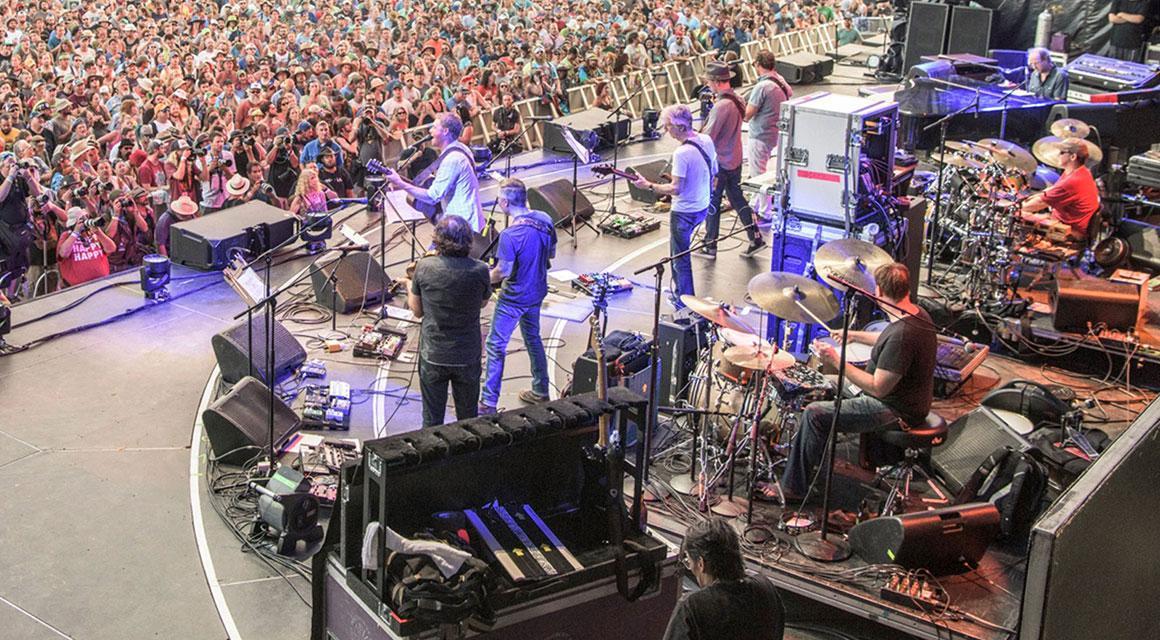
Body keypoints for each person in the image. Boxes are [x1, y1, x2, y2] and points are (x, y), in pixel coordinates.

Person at [780, 263, 937, 501]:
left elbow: (877, 387)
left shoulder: (903, 335)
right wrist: (853, 335)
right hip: (898, 398)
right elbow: (887, 336)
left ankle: (793, 488)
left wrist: (836, 359)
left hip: (894, 409)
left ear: (880, 292)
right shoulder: (915, 314)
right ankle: (815, 459)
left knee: (814, 413)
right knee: (822, 382)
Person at [400, 216, 492, 427]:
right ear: (469, 240)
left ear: (438, 239)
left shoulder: (424, 267)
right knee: (468, 419)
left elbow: (417, 311)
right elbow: (483, 303)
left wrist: (408, 284)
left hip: (434, 354)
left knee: (432, 420)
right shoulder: (480, 270)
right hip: (467, 354)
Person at [479, 179, 557, 414]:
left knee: (495, 345)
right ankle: (540, 390)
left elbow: (503, 271)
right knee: (533, 339)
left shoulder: (510, 235)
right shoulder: (545, 219)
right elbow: (550, 253)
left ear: (503, 202)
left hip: (513, 297)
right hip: (537, 291)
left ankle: (488, 402)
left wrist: (480, 277)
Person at [632, 105, 717, 308]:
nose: (666, 130)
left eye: (668, 126)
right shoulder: (706, 140)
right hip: (702, 205)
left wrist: (649, 186)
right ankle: (683, 295)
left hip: (684, 211)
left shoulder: (681, 153)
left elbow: (676, 189)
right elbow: (714, 170)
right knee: (681, 253)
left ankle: (684, 299)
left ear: (679, 126)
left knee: (680, 257)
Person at [663, 518, 785, 640]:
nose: (689, 567)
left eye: (688, 561)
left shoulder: (692, 607)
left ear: (701, 563)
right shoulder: (766, 588)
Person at [698, 62, 765, 260]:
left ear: (717, 82)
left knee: (713, 201)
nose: (708, 85)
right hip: (734, 156)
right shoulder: (737, 98)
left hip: (720, 162)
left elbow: (708, 138)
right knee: (737, 199)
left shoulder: (721, 107)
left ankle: (710, 245)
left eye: (709, 82)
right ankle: (755, 237)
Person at [382, 113, 485, 231]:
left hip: (461, 226)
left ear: (445, 131)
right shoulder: (461, 148)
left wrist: (400, 183)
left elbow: (432, 197)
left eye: (434, 127)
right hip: (467, 220)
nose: (430, 131)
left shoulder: (452, 159)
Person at [1019, 139, 1100, 240]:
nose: (1058, 155)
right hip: (1066, 223)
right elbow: (1050, 191)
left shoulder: (1073, 181)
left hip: (1070, 233)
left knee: (1019, 219)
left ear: (1073, 157)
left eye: (1061, 152)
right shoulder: (1080, 172)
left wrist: (1014, 205)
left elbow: (1031, 206)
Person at [0, 153, 44, 297]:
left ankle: (12, 296)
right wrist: (10, 177)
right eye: (9, 165)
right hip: (4, 231)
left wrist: (28, 176)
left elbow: (37, 193)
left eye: (14, 165)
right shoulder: (6, 179)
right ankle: (4, 297)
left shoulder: (20, 179)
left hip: (22, 230)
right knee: (6, 268)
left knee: (20, 266)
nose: (12, 168)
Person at [745, 51, 793, 179]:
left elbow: (746, 115)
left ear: (758, 64)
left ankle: (761, 199)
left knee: (758, 177)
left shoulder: (762, 87)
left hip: (759, 136)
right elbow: (790, 93)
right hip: (773, 133)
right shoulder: (780, 80)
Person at [57, 207, 116, 287]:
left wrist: (99, 233)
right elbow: (63, 254)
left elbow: (112, 249)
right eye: (82, 219)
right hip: (78, 288)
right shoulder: (67, 236)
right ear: (74, 223)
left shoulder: (94, 234)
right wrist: (76, 232)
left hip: (102, 283)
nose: (86, 221)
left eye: (87, 217)